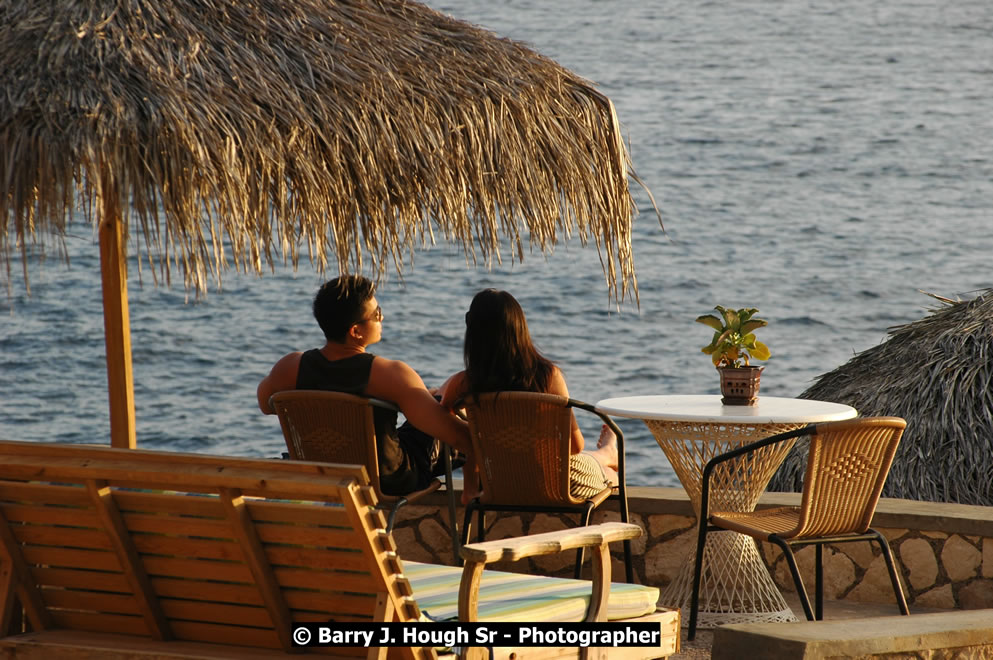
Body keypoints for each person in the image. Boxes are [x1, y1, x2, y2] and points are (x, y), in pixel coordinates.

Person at [258, 275, 469, 496]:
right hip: (386, 480)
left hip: (323, 473)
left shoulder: (289, 367)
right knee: (452, 412)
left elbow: (266, 404)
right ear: (356, 331)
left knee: (434, 399)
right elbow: (455, 436)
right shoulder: (390, 375)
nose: (382, 317)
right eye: (376, 314)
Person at [439, 288, 619, 501]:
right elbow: (575, 446)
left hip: (499, 481)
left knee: (469, 427)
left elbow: (443, 417)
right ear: (520, 328)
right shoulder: (549, 377)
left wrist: (475, 441)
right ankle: (608, 452)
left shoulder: (465, 383)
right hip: (557, 482)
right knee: (612, 477)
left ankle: (607, 452)